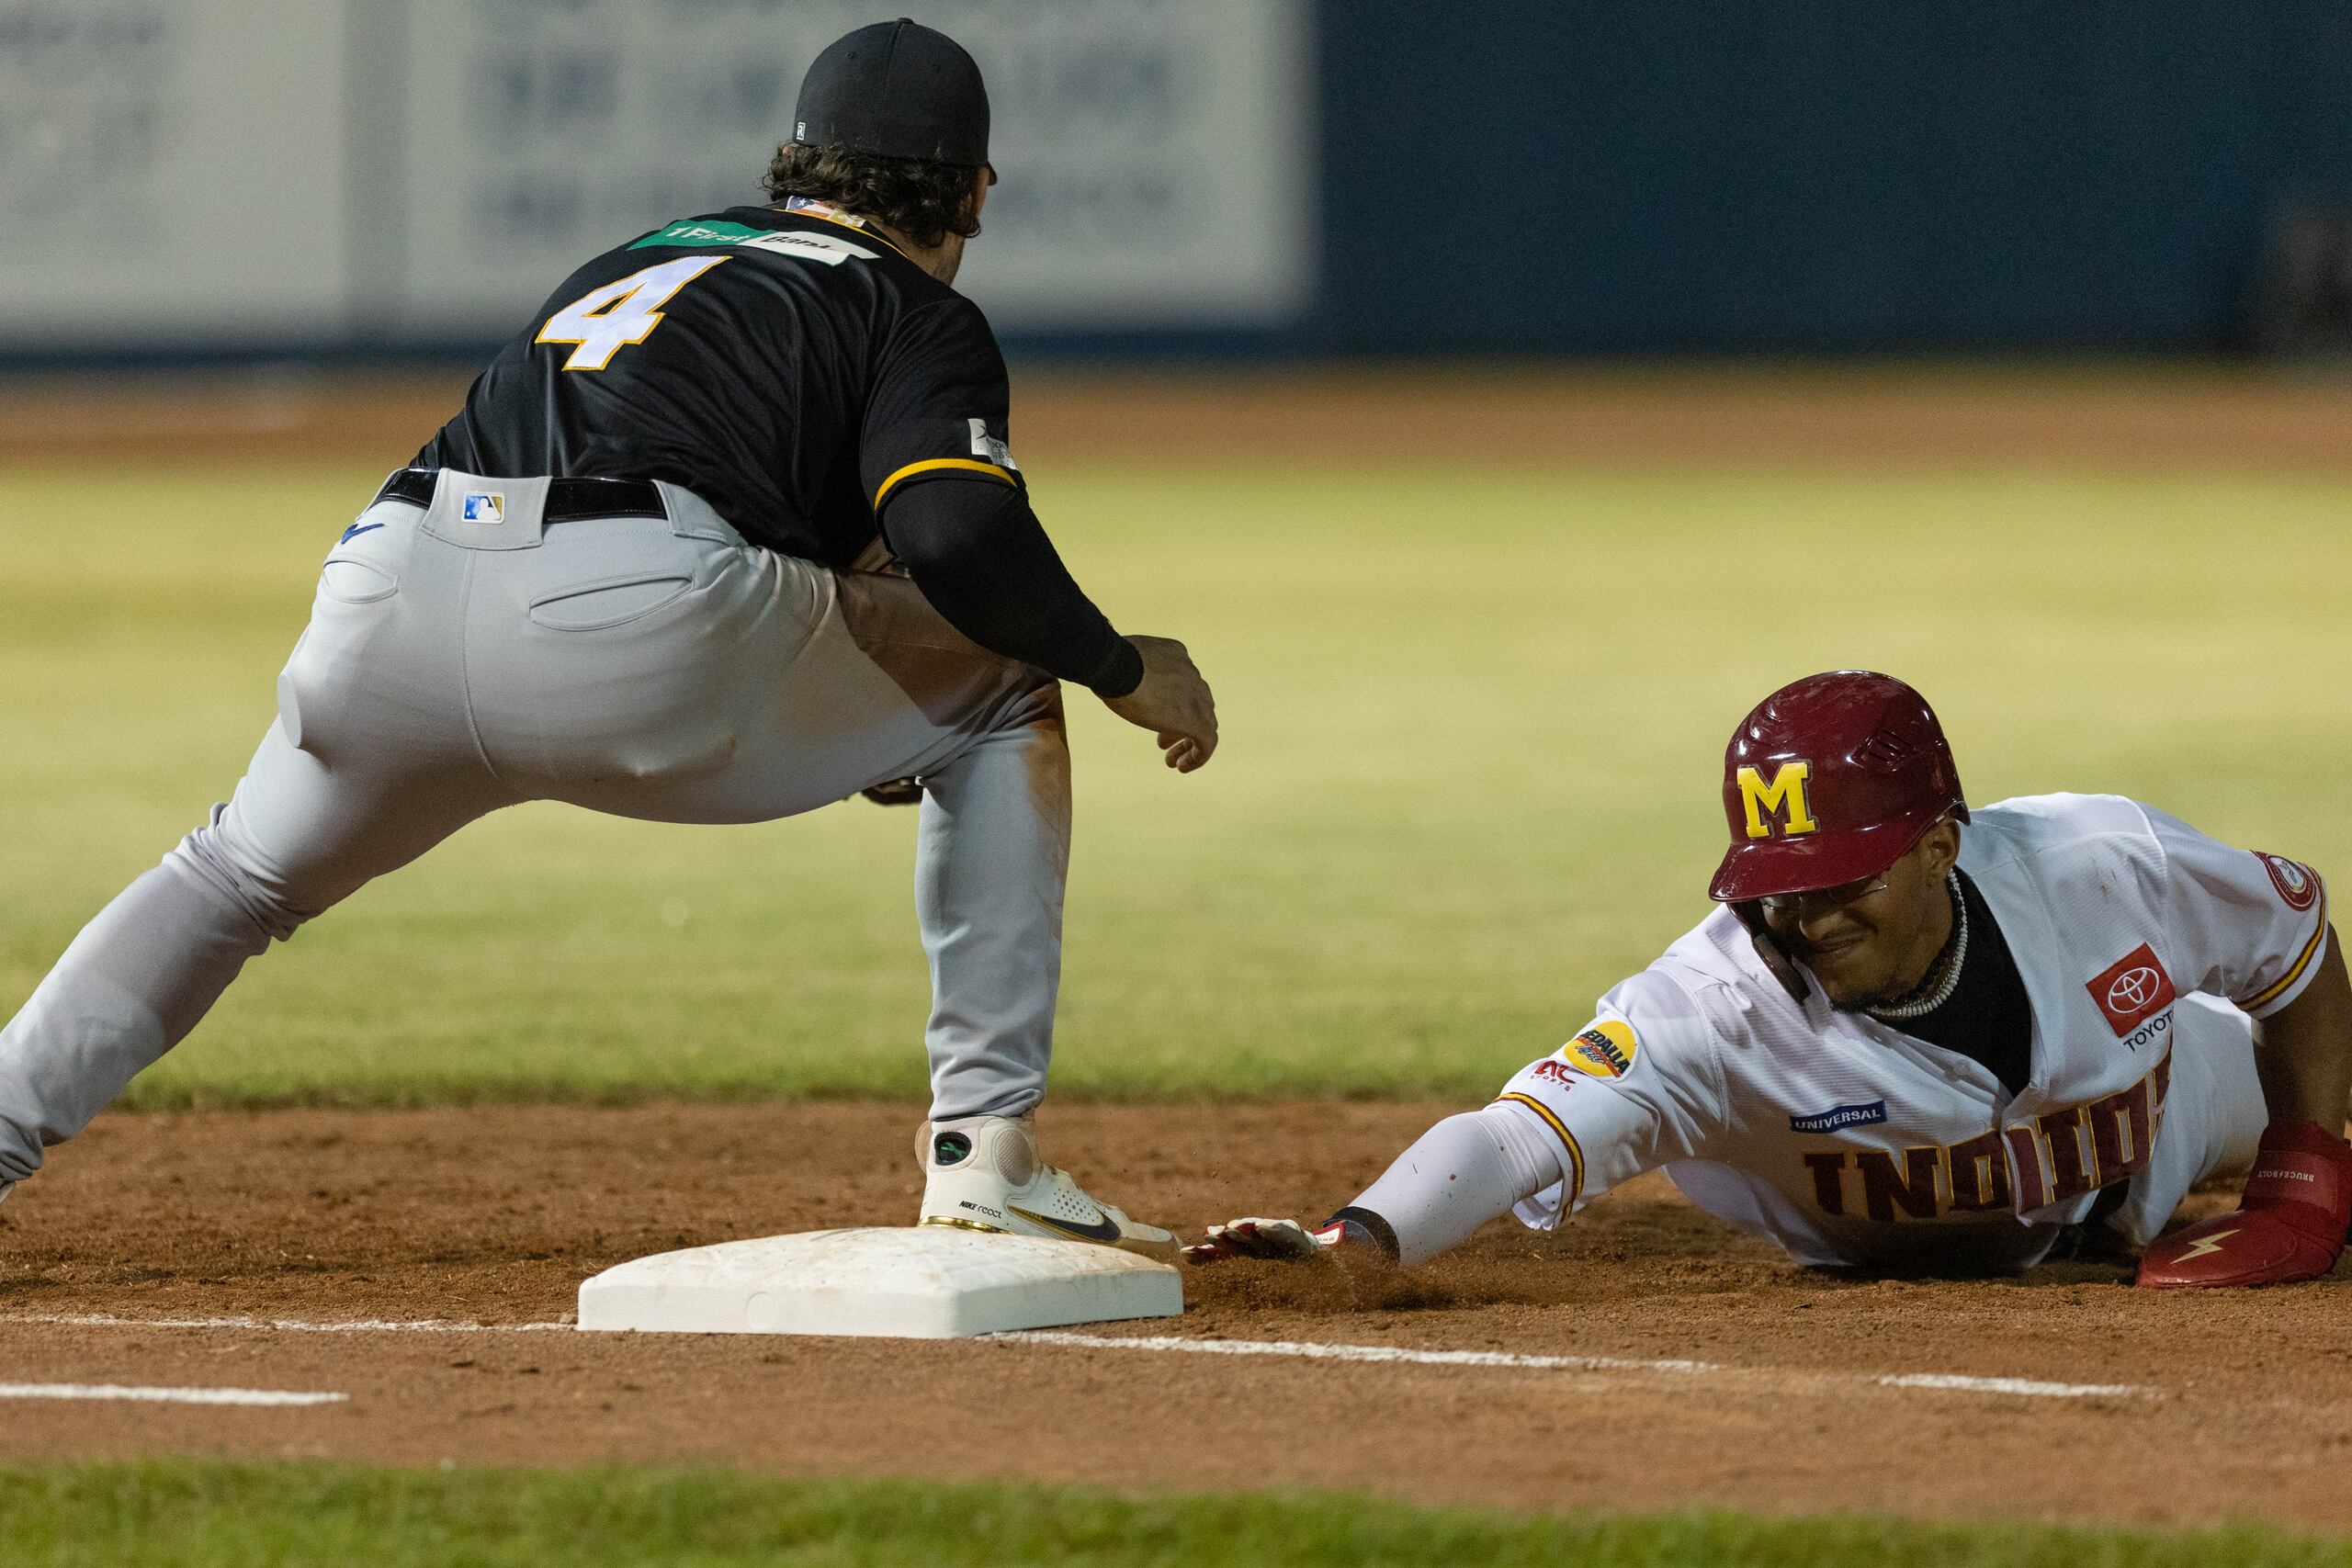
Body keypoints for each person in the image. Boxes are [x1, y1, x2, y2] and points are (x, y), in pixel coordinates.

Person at [0, 19, 1214, 1259]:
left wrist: (851, 697)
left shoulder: (645, 254)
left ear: (791, 168)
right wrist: (1117, 661)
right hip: (634, 616)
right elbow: (954, 532)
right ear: (973, 190)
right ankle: (984, 1150)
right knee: (1010, 678)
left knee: (231, 877)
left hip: (394, 578)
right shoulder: (910, 307)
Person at [1192, 671, 2347, 1289]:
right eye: (1776, 884)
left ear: (1937, 846)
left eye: (1844, 878)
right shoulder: (1708, 1017)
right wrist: (1359, 1242)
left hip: (2171, 1108)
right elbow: (1509, 1138)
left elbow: (2293, 940)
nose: (1806, 915)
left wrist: (2300, 1185)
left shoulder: (2101, 868)